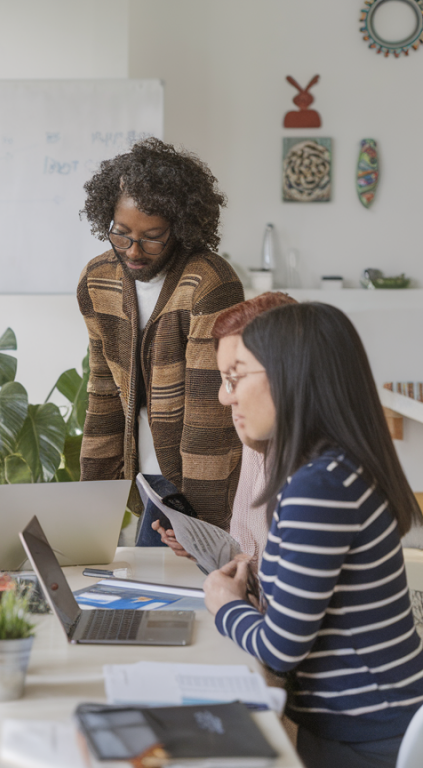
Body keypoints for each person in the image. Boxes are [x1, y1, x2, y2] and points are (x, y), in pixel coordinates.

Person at [203, 303, 423, 768]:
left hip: (365, 737)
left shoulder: (318, 487)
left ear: (289, 376)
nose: (227, 398)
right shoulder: (339, 469)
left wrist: (225, 603)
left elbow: (281, 650)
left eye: (236, 377)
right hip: (373, 722)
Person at [77, 137, 244, 544]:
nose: (133, 251)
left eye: (153, 237)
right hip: (145, 475)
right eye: (121, 234)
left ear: (182, 228)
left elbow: (210, 417)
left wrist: (200, 528)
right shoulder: (97, 280)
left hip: (197, 484)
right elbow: (103, 391)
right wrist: (88, 506)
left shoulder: (208, 286)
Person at [154, 292, 297, 562]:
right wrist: (204, 550)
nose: (222, 396)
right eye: (224, 378)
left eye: (235, 377)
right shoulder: (256, 440)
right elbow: (248, 551)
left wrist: (226, 597)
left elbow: (286, 591)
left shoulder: (315, 477)